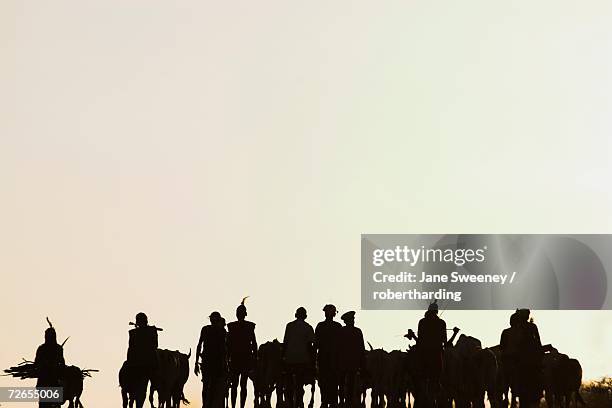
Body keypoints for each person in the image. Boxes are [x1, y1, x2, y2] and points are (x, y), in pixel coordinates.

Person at [227, 298, 257, 408]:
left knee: (235, 385)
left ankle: (235, 406)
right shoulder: (250, 326)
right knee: (242, 385)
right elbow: (254, 343)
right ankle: (240, 406)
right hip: (244, 359)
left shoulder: (231, 326)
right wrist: (255, 358)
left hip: (236, 359)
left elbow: (228, 344)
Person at [416, 300, 447, 406]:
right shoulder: (442, 323)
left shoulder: (422, 322)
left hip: (423, 353)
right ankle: (438, 383)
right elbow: (445, 340)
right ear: (437, 311)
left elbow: (419, 339)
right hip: (437, 353)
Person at [283, 307, 315, 408]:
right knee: (299, 385)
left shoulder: (289, 326)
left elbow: (285, 343)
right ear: (305, 316)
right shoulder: (308, 327)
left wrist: (283, 358)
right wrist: (312, 362)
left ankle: (291, 404)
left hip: (290, 360)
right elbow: (310, 345)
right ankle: (298, 403)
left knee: (289, 386)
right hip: (302, 360)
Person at [195, 312, 228, 408]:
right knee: (212, 386)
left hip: (211, 363)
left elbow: (199, 345)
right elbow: (224, 350)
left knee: (207, 386)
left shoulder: (207, 330)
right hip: (214, 363)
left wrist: (196, 362)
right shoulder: (221, 331)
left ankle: (205, 405)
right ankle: (206, 405)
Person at [315, 305, 342, 408]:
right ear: (334, 314)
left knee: (324, 381)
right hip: (334, 360)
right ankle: (333, 401)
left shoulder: (320, 326)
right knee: (334, 382)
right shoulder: (338, 326)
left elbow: (316, 344)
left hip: (323, 359)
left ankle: (325, 401)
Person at [336, 311, 365, 408]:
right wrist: (362, 364)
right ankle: (347, 402)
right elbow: (361, 349)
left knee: (342, 383)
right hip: (352, 363)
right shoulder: (357, 331)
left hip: (343, 362)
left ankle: (342, 401)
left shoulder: (341, 331)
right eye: (352, 319)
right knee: (351, 384)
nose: (353, 321)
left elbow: (337, 348)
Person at [35, 320, 65, 408]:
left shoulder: (42, 348)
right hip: (50, 383)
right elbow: (62, 363)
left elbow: (36, 363)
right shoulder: (57, 348)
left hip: (49, 383)